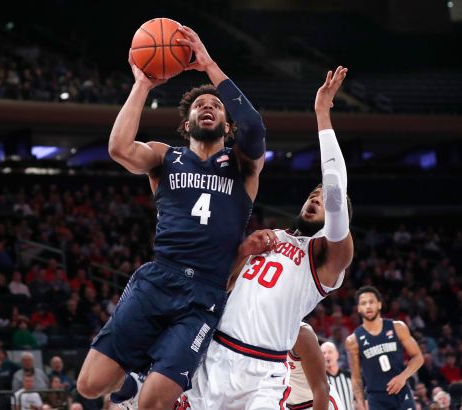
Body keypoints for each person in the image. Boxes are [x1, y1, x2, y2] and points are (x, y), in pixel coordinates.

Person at [77, 25, 267, 410]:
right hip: (158, 279)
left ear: (228, 126)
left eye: (216, 106)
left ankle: (148, 369)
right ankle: (140, 366)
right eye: (200, 105)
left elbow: (256, 126)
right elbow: (118, 148)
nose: (208, 107)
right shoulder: (165, 157)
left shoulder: (243, 166)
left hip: (204, 295)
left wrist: (209, 64)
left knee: (151, 404)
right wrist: (143, 86)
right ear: (186, 125)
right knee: (89, 387)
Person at [180, 66, 353, 410]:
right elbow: (224, 281)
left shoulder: (328, 257)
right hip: (215, 354)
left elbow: (335, 191)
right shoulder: (269, 235)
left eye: (324, 196)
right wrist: (243, 251)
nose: (317, 196)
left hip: (264, 372)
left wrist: (321, 114)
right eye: (312, 192)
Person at [346, 286, 424, 410]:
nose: (368, 306)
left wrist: (403, 376)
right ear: (359, 309)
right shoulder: (353, 340)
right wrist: (360, 403)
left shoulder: (398, 327)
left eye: (371, 302)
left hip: (402, 393)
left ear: (379, 305)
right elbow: (356, 377)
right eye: (363, 303)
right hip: (376, 399)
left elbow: (418, 357)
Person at [287, 323, 345, 410]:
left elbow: (321, 388)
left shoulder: (301, 334)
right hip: (288, 405)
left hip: (317, 403)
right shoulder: (266, 335)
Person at [321, 341, 354, 410]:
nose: (327, 355)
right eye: (323, 353)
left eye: (330, 352)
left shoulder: (349, 376)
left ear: (337, 355)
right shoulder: (320, 381)